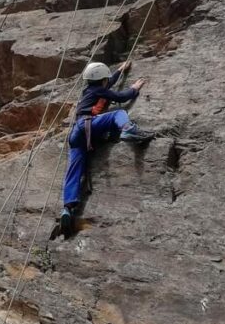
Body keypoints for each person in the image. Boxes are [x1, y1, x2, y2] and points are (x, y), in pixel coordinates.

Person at [59, 60, 154, 236]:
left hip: (76, 135)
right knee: (118, 113)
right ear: (102, 80)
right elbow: (122, 97)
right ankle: (128, 130)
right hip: (89, 126)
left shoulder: (90, 90)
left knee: (74, 171)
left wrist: (119, 70)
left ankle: (67, 208)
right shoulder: (99, 90)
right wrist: (134, 88)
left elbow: (107, 83)